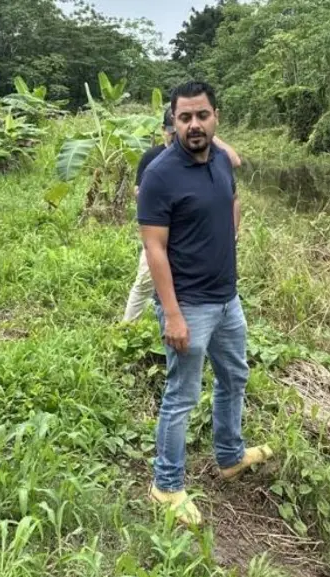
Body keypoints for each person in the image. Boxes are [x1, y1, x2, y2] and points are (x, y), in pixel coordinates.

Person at [137, 81, 270, 526]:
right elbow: (154, 249)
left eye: (202, 115)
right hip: (189, 304)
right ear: (173, 122)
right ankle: (166, 485)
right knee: (182, 396)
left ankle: (230, 455)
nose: (194, 125)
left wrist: (230, 238)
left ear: (216, 118)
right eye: (185, 117)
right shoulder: (160, 174)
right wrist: (173, 314)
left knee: (234, 376)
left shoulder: (220, 160)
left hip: (227, 299)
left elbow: (231, 199)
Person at [123, 108, 242, 322]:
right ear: (164, 130)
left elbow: (234, 162)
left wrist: (207, 131)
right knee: (145, 282)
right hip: (161, 232)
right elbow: (139, 193)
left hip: (194, 242)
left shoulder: (204, 156)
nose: (175, 136)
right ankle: (128, 327)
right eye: (171, 131)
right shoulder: (154, 158)